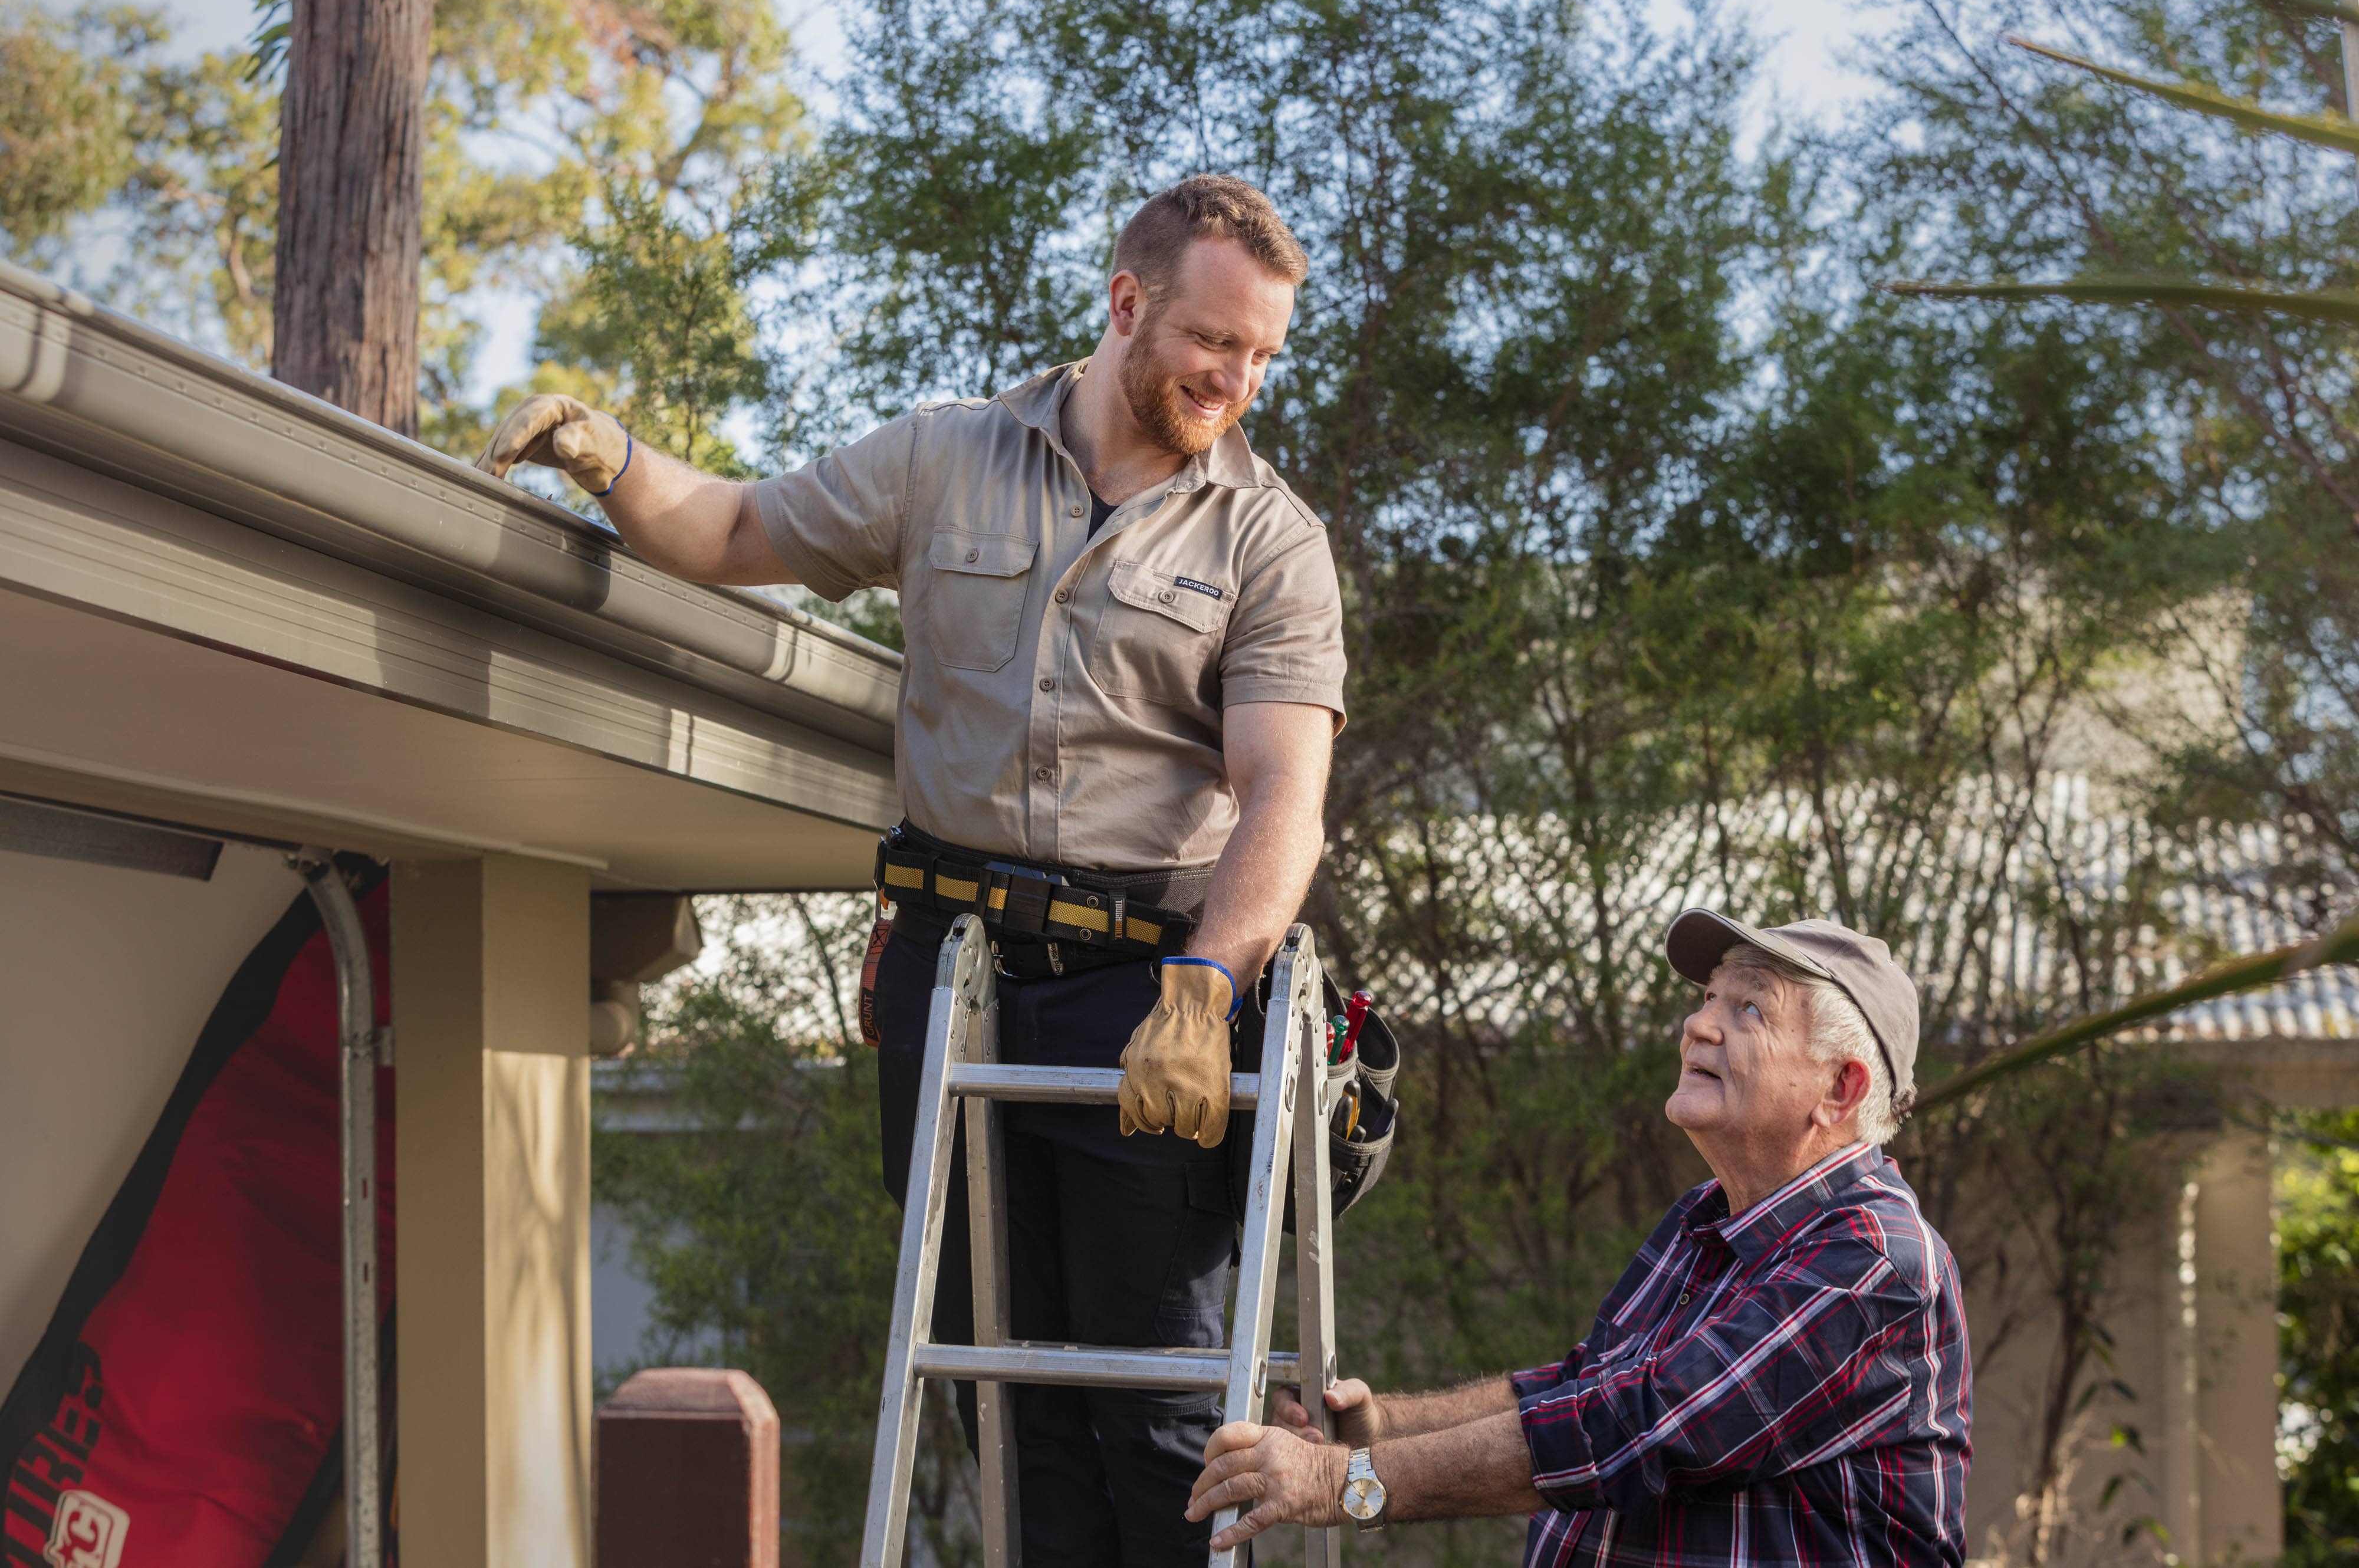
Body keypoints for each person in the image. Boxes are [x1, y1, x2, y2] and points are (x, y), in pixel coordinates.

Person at [475, 175, 1346, 1566]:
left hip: (1149, 1001)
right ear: (1126, 306)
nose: (1235, 380)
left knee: (1162, 1414)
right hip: (954, 991)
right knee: (1002, 1405)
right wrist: (608, 456)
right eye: (1211, 343)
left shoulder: (1265, 539)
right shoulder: (945, 457)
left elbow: (1282, 798)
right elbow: (740, 531)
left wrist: (1203, 986)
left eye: (1259, 356)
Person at [1186, 909, 1973, 1566]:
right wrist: (1390, 1424)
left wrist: (1343, 1479)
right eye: (1707, 998)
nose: (1698, 1024)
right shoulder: (1706, 1215)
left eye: (1750, 1009)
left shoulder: (1874, 1258)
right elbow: (1588, 1381)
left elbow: (1646, 1429)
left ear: (1841, 1088)